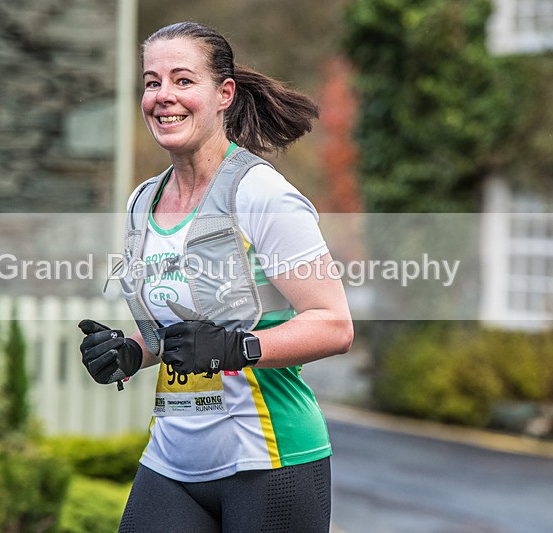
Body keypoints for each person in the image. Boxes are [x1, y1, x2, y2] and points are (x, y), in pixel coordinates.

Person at [78, 21, 353, 533]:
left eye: (183, 80)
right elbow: (181, 330)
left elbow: (334, 324)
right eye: (152, 82)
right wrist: (131, 351)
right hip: (173, 461)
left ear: (224, 94)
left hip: (269, 459)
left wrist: (237, 348)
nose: (163, 96)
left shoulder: (261, 194)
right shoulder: (142, 201)